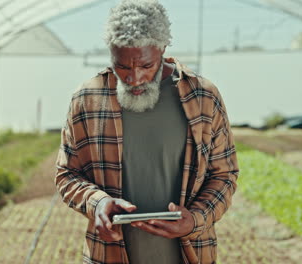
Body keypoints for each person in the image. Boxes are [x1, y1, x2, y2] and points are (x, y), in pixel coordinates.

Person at [54, 0, 239, 263]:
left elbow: (225, 174)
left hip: (189, 255)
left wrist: (195, 220)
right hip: (109, 255)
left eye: (145, 66)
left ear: (163, 49)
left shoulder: (203, 97)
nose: (134, 78)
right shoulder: (87, 99)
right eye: (122, 66)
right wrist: (97, 203)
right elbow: (66, 174)